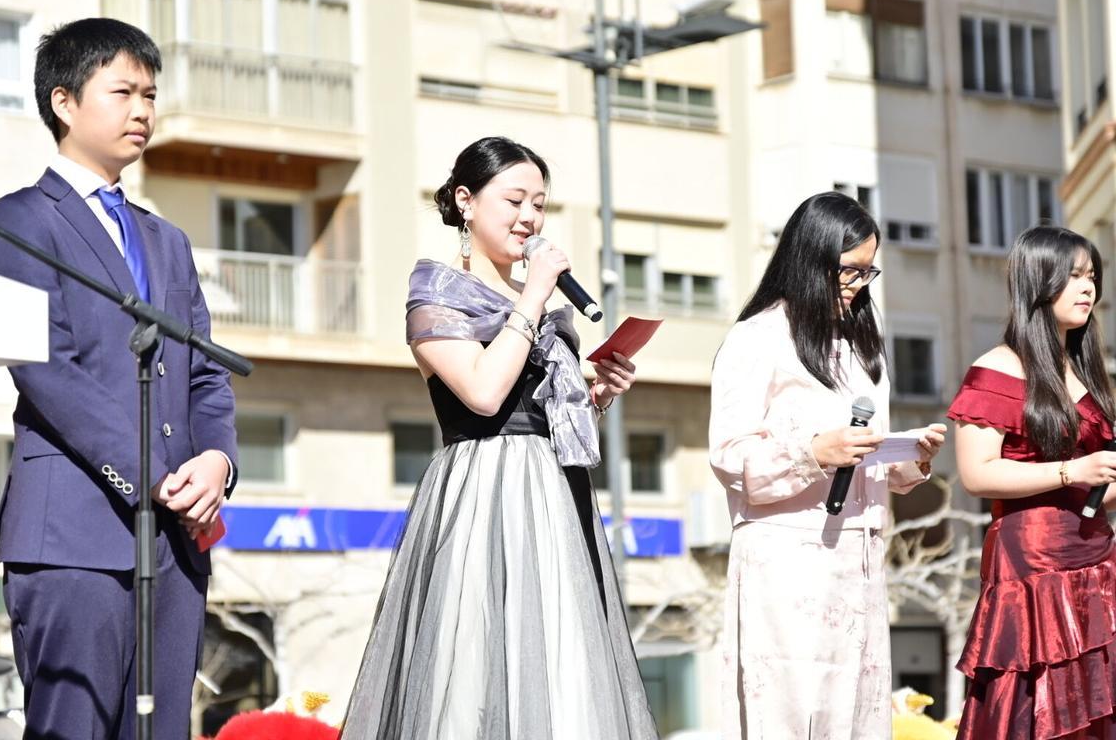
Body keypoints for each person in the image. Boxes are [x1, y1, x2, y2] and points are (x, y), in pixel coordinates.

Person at [340, 136, 657, 739]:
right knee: (476, 666)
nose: (529, 218)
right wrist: (535, 293)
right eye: (514, 200)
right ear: (466, 201)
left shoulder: (541, 308)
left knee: (561, 659)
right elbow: (483, 393)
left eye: (539, 203)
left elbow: (558, 419)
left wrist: (602, 393)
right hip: (487, 490)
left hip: (558, 491)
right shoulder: (436, 292)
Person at [0, 18, 238, 739]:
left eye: (150, 94)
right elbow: (44, 369)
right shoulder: (19, 219)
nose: (143, 111)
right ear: (65, 102)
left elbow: (205, 372)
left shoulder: (167, 239)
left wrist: (217, 460)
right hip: (71, 534)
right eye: (122, 91)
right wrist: (152, 473)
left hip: (177, 540)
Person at [708, 191, 946, 739]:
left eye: (868, 272)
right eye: (849, 271)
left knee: (857, 715)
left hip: (857, 561)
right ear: (810, 259)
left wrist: (909, 455)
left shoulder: (861, 349)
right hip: (787, 559)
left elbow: (869, 457)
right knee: (788, 716)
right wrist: (813, 451)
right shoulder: (756, 338)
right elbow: (730, 456)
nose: (858, 286)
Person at [950, 226, 1116, 739]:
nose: (1087, 288)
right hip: (1032, 564)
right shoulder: (997, 367)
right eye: (1073, 276)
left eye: (1092, 276)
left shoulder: (1084, 369)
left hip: (1095, 555)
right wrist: (1072, 471)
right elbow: (978, 474)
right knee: (1033, 709)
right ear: (1038, 281)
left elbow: (1094, 486)